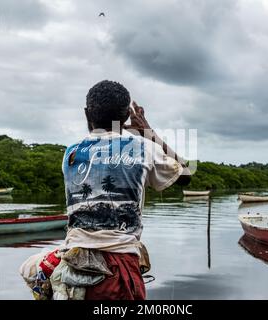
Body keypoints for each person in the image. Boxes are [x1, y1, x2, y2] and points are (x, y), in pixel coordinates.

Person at [62, 80, 191, 300]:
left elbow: (102, 137)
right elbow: (185, 175)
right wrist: (149, 133)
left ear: (86, 114)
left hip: (71, 263)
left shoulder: (71, 153)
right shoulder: (143, 148)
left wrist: (124, 129)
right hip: (118, 267)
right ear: (124, 118)